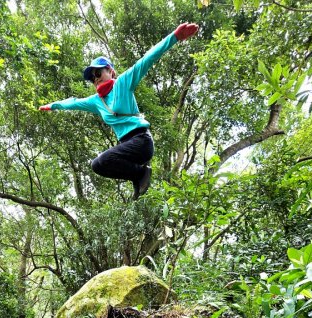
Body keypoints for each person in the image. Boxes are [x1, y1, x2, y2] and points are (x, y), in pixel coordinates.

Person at [39, 22, 199, 199]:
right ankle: (138, 176)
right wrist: (53, 105)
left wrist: (174, 37)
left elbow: (146, 60)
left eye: (98, 73)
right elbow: (74, 102)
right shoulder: (96, 101)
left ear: (111, 71)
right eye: (92, 78)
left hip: (141, 142)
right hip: (126, 147)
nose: (95, 80)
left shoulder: (123, 83)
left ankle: (141, 174)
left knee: (103, 160)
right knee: (97, 166)